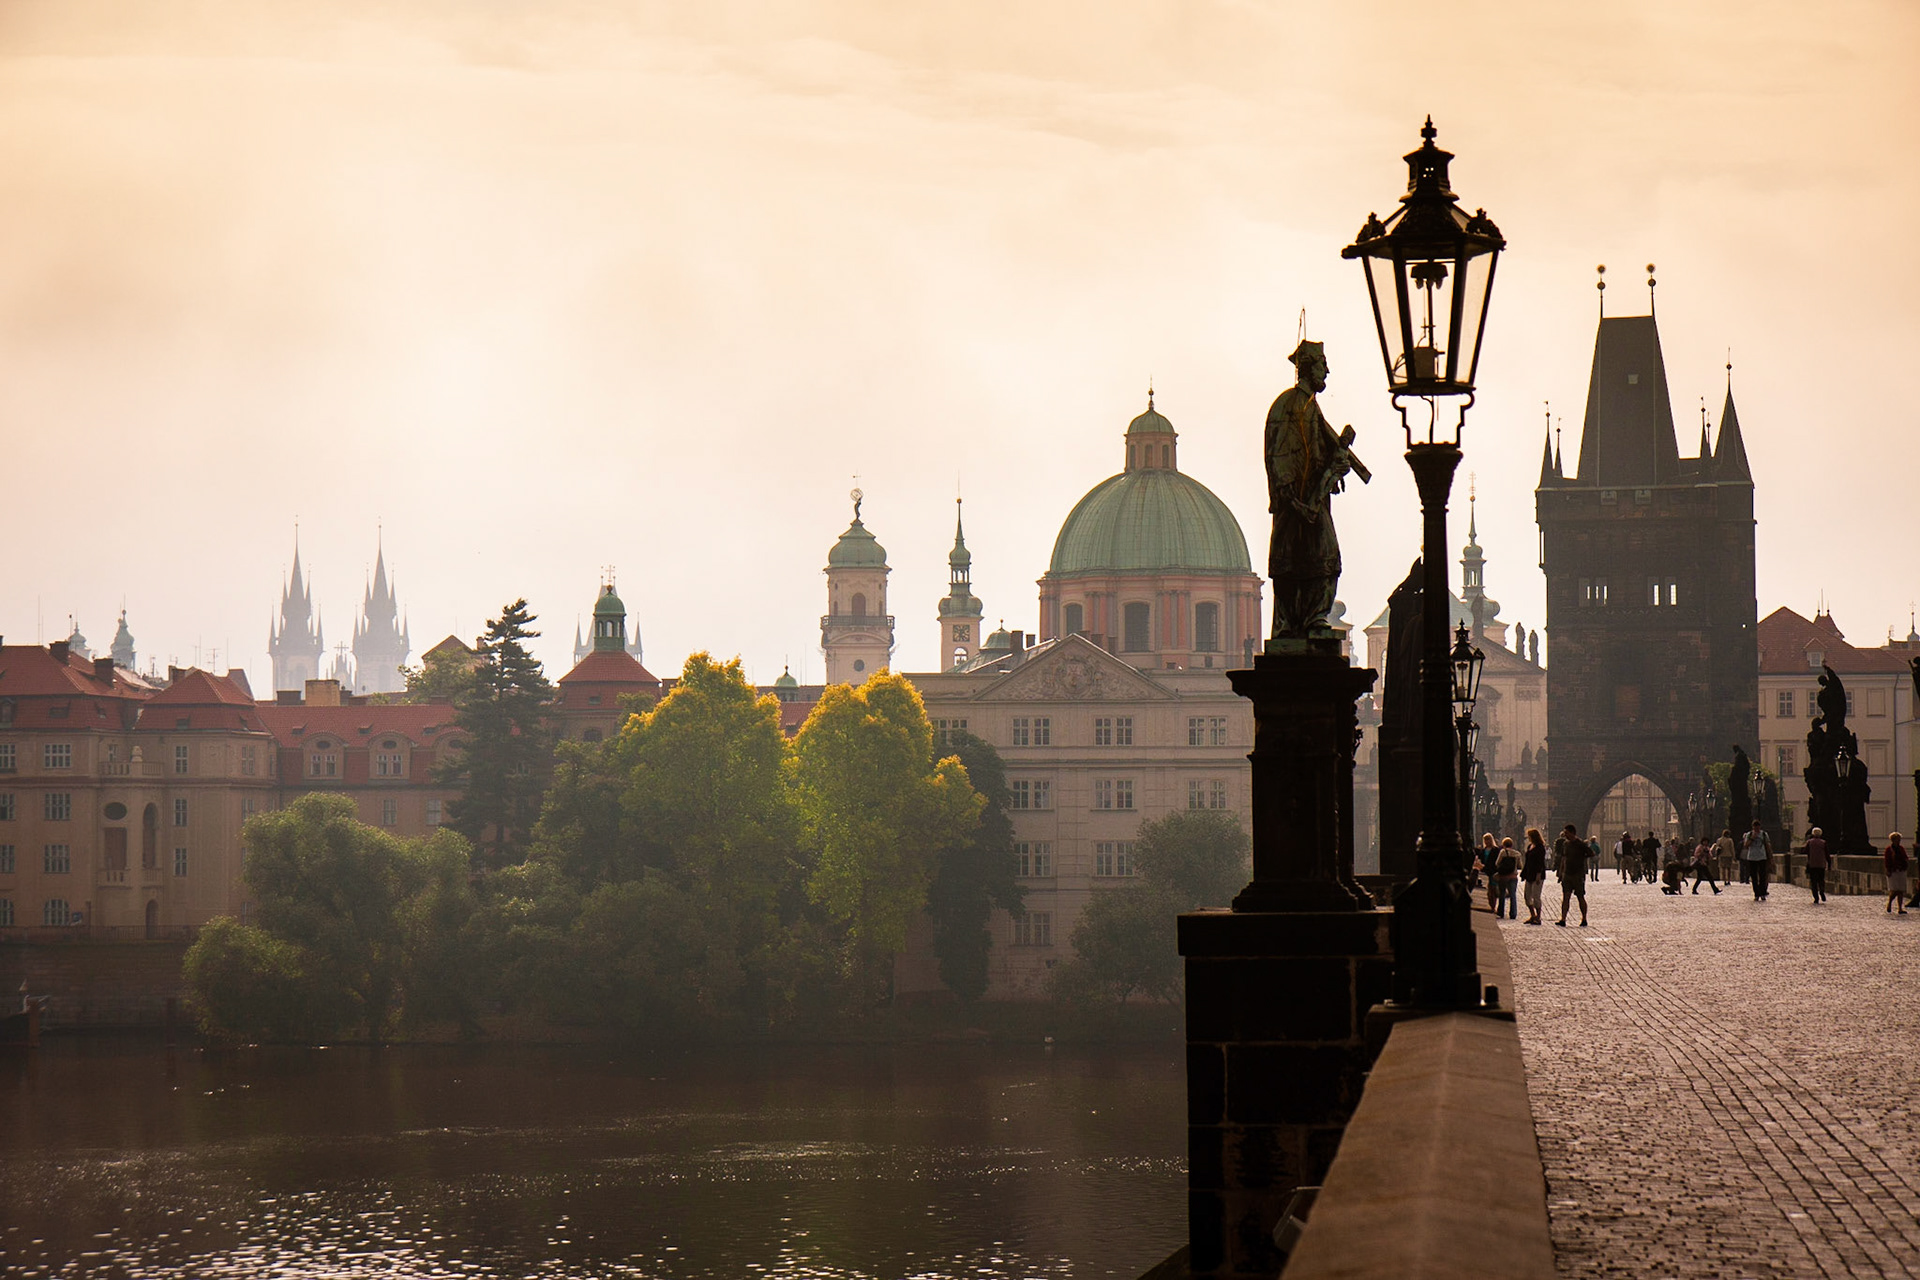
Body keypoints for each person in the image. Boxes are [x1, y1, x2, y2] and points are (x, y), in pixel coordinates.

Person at [1554, 823, 1590, 927]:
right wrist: (1560, 873)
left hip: (1577, 874)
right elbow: (1563, 859)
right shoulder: (1565, 844)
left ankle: (1584, 919)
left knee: (1580, 897)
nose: (1565, 835)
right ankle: (1563, 919)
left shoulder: (1580, 844)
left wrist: (1581, 858)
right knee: (1566, 897)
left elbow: (1590, 853)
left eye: (1566, 833)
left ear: (1572, 833)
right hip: (1567, 874)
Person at [1521, 828, 1548, 925]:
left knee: (1536, 896)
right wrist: (1523, 873)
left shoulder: (1540, 847)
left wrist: (1538, 874)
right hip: (1529, 874)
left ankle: (1538, 916)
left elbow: (1540, 862)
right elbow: (1527, 861)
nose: (1528, 837)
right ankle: (1532, 915)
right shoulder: (1530, 846)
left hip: (1537, 875)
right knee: (1527, 896)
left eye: (1529, 836)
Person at [1742, 820, 1772, 900]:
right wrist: (1752, 838)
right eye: (1755, 827)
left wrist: (1770, 857)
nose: (1756, 829)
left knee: (1763, 876)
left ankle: (1762, 893)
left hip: (1762, 857)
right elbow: (1746, 845)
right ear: (1753, 827)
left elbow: (1768, 845)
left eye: (1758, 827)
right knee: (1754, 877)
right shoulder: (1749, 834)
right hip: (1752, 858)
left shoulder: (1764, 834)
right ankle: (1756, 893)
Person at [1493, 837, 1521, 919]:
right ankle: (1513, 913)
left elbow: (1497, 863)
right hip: (1513, 876)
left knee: (1502, 894)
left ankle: (1501, 912)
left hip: (1503, 876)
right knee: (1513, 895)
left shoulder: (1502, 852)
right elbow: (1520, 865)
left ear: (1504, 845)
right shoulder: (1517, 854)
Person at [1803, 827, 1830, 904]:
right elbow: (1827, 854)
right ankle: (1821, 891)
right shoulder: (1823, 842)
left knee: (1813, 882)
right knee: (1821, 880)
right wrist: (1829, 864)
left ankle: (1816, 898)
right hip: (1821, 864)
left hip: (1812, 864)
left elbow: (1805, 851)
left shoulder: (1809, 842)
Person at [1884, 833, 1909, 915]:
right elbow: (1887, 860)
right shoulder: (1889, 849)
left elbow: (1905, 857)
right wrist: (1888, 869)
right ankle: (1890, 903)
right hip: (1893, 871)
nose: (1899, 841)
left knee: (1901, 890)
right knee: (1894, 890)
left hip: (1901, 870)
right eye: (1897, 839)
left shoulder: (1901, 848)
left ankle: (1900, 908)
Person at [1478, 834, 1500, 911]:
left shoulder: (1496, 850)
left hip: (1493, 871)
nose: (1487, 842)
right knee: (1488, 891)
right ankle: (1491, 906)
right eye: (1485, 840)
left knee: (1493, 890)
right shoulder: (1483, 850)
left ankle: (1493, 907)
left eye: (1488, 839)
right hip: (1485, 871)